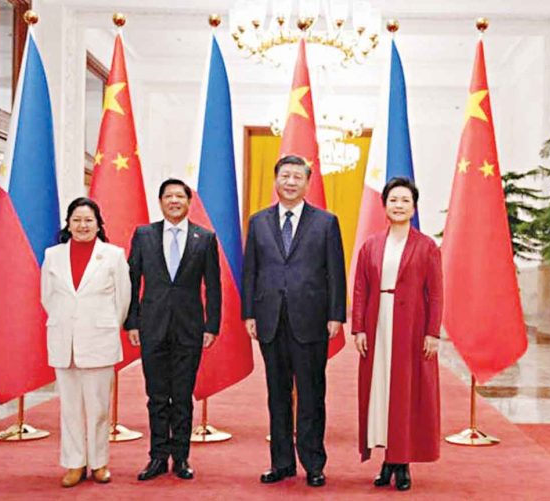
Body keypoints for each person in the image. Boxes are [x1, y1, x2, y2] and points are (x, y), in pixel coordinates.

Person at [242, 155, 346, 488]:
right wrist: (249, 313)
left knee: (312, 394)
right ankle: (282, 463)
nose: (290, 182)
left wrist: (335, 314)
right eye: (284, 176)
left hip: (311, 320)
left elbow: (335, 272)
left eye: (297, 177)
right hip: (270, 319)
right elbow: (251, 271)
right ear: (276, 180)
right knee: (277, 395)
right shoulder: (258, 222)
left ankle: (314, 462)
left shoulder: (326, 222)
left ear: (307, 182)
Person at [126, 178, 221, 482]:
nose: (174, 201)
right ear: (160, 201)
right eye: (168, 196)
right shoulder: (144, 235)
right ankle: (157, 457)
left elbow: (214, 286)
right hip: (152, 326)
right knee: (156, 396)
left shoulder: (204, 238)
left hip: (189, 328)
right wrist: (132, 321)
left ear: (188, 202)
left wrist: (212, 326)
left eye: (180, 196)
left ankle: (180, 457)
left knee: (182, 396)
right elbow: (132, 280)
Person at [351, 177, 443, 491]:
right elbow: (361, 289)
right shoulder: (371, 244)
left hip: (412, 328)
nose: (399, 205)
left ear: (414, 207)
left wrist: (432, 332)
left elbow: (436, 293)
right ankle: (386, 458)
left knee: (406, 393)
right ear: (385, 205)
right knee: (381, 390)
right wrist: (359, 327)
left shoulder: (426, 245)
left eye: (405, 200)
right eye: (393, 200)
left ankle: (402, 463)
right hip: (378, 326)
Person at [40, 197, 131, 488]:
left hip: (99, 339)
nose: (82, 226)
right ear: (68, 223)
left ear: (98, 224)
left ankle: (99, 462)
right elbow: (47, 297)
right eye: (77, 220)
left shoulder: (114, 255)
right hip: (64, 339)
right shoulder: (53, 255)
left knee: (99, 407)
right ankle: (74, 463)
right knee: (69, 407)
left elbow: (123, 299)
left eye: (88, 220)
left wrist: (104, 325)